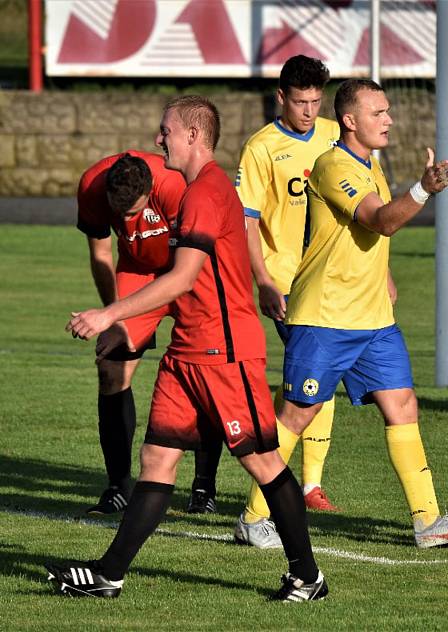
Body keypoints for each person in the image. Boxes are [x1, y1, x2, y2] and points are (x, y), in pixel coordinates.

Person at [48, 95, 327, 602]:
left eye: (166, 131)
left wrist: (110, 313)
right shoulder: (191, 190)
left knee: (263, 461)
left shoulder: (206, 191)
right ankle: (110, 573)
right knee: (156, 461)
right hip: (186, 352)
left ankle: (308, 576)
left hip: (225, 351)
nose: (159, 140)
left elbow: (182, 277)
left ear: (194, 136)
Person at [278, 78, 448, 549]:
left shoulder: (369, 163)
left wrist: (385, 274)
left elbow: (372, 235)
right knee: (298, 413)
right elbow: (380, 220)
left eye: (388, 110)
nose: (389, 119)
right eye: (379, 113)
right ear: (350, 121)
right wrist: (423, 188)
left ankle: (427, 522)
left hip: (373, 320)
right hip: (326, 315)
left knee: (403, 405)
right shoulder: (333, 165)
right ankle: (255, 516)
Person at [233, 55, 341, 549]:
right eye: (300, 101)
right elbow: (247, 221)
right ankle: (267, 503)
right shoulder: (262, 148)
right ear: (281, 97)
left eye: (316, 101)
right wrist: (262, 279)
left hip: (336, 279)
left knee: (319, 380)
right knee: (310, 385)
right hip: (287, 283)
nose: (309, 110)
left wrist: (381, 273)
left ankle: (311, 485)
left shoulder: (337, 133)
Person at [77, 151, 221, 515]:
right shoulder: (91, 187)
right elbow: (101, 256)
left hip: (190, 271)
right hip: (138, 273)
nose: (125, 221)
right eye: (119, 213)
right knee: (111, 369)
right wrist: (114, 317)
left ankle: (203, 488)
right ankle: (119, 485)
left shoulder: (174, 184)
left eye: (133, 213)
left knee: (204, 370)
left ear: (150, 192)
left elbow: (196, 255)